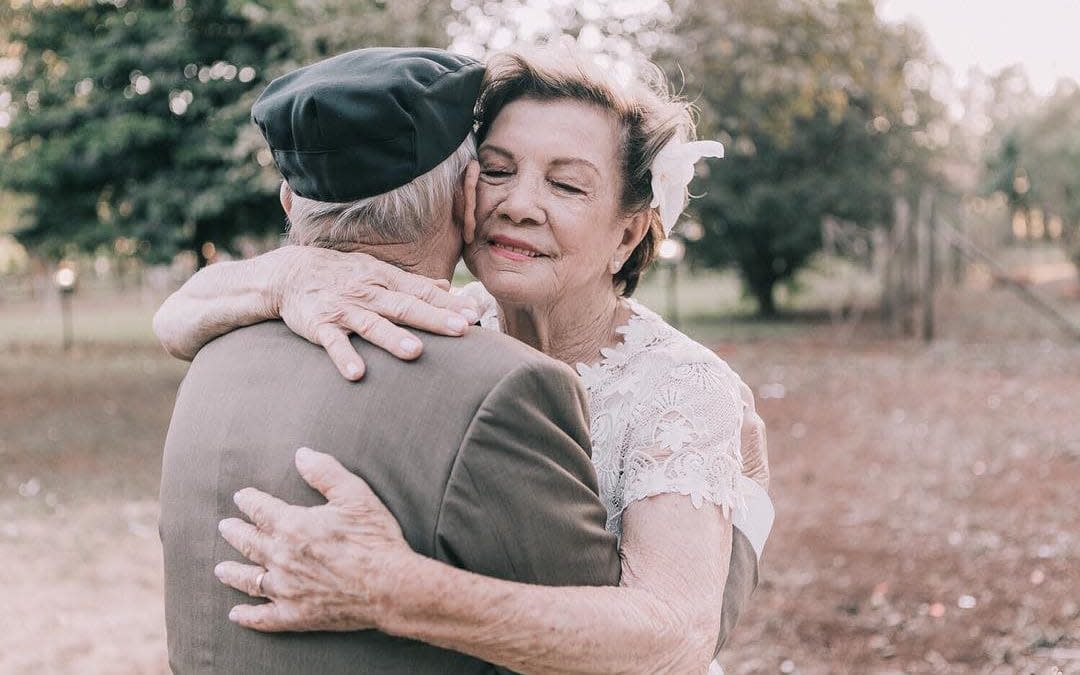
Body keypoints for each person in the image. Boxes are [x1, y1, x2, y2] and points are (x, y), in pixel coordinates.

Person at [156, 46, 773, 674]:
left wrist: (394, 589)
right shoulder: (433, 312)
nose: (519, 205)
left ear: (628, 233)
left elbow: (674, 640)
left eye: (565, 185)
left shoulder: (680, 386)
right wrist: (290, 272)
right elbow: (176, 319)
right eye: (498, 171)